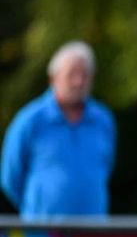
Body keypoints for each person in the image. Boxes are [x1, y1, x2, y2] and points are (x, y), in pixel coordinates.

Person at [1, 41, 116, 221]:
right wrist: (38, 205)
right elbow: (10, 177)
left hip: (93, 228)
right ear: (53, 78)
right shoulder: (30, 121)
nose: (79, 81)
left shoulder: (103, 120)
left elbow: (106, 168)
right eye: (71, 74)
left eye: (85, 74)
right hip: (42, 230)